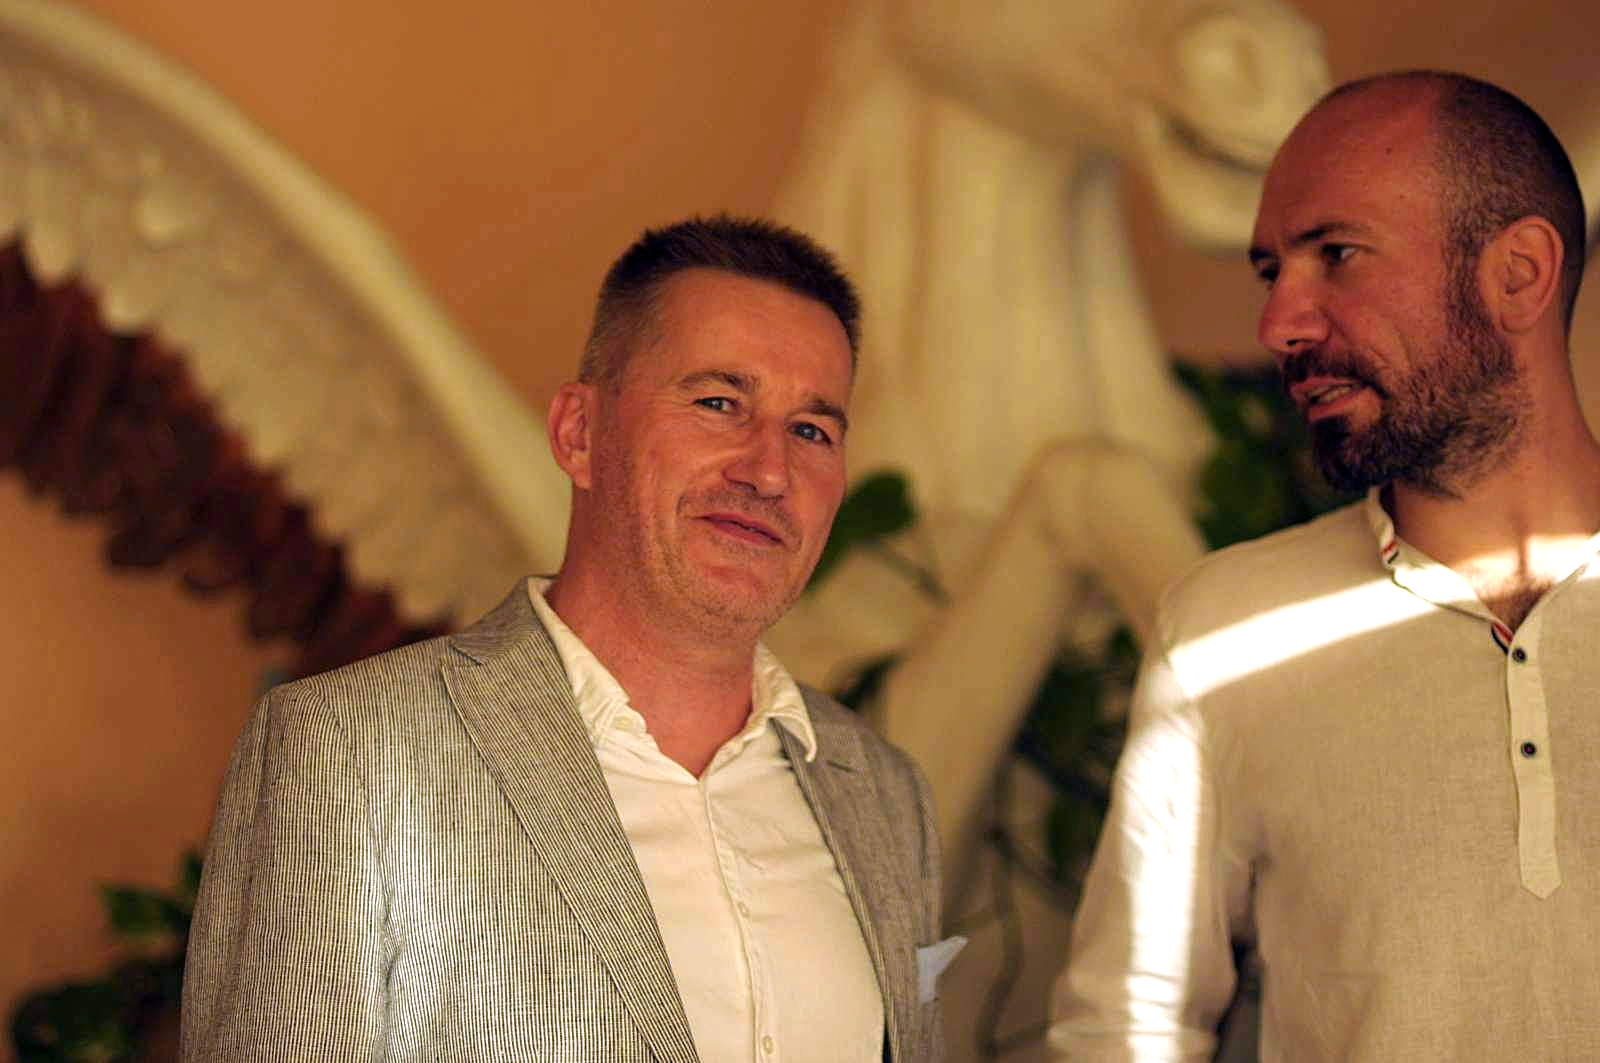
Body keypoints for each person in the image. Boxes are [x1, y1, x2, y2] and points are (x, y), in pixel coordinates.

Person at [181, 216, 954, 1062]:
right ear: (579, 433)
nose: (769, 470)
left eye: (811, 430)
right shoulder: (349, 750)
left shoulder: (885, 796)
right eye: (718, 403)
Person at [1049, 71, 1600, 1060]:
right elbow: (1126, 1024)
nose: (1279, 325)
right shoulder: (1227, 627)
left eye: (1336, 254)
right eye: (1271, 272)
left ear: (1518, 274)